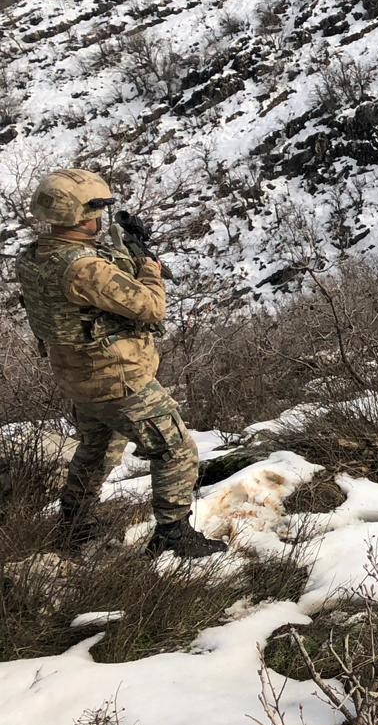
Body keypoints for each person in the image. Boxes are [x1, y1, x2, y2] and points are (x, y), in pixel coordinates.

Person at [13, 168, 225, 558]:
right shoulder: (84, 268)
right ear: (81, 214)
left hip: (78, 378)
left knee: (97, 449)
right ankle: (173, 534)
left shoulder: (33, 257)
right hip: (118, 380)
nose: (99, 218)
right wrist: (149, 270)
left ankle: (75, 527)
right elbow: (150, 307)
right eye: (95, 211)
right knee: (175, 447)